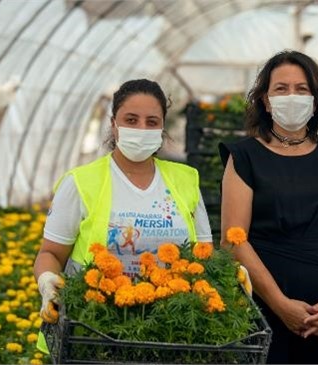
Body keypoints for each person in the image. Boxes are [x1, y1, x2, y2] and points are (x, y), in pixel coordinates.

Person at [33, 79, 213, 350]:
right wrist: (47, 281)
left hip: (170, 329)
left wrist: (230, 277)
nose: (142, 129)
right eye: (131, 119)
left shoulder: (185, 180)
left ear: (162, 127)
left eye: (152, 122)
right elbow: (51, 253)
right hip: (92, 326)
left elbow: (204, 255)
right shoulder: (81, 182)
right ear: (114, 124)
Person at [219, 50, 318, 364]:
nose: (291, 96)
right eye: (281, 89)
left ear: (316, 99)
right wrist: (281, 305)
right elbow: (233, 240)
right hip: (261, 306)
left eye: (302, 89)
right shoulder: (244, 157)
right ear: (266, 101)